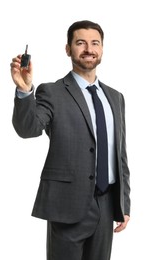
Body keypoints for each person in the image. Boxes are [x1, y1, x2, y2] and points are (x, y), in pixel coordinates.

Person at [10, 20, 131, 260]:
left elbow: (120, 154)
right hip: (67, 205)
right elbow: (28, 128)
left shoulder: (116, 98)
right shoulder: (52, 92)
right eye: (80, 43)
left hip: (106, 206)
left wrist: (123, 204)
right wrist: (25, 92)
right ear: (68, 49)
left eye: (95, 43)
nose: (89, 49)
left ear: (102, 49)